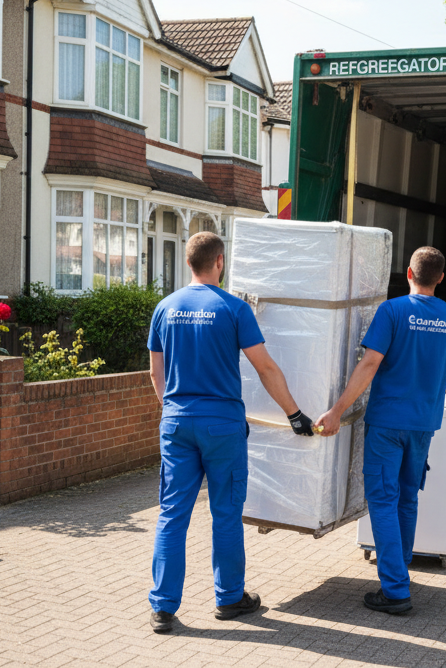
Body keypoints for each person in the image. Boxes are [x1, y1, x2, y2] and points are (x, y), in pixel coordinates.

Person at [316, 246, 446, 614]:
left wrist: (338, 410)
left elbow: (370, 363)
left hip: (388, 422)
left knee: (384, 501)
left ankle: (395, 591)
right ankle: (399, 571)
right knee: (407, 497)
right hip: (423, 426)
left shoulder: (392, 311)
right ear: (440, 277)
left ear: (408, 273)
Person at [146, 231, 316, 633]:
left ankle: (163, 608)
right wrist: (294, 414)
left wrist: (173, 410)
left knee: (172, 515)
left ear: (189, 263)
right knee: (224, 513)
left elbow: (155, 372)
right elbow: (266, 368)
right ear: (219, 262)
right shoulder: (234, 309)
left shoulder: (165, 308)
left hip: (176, 421)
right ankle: (229, 598)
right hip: (221, 426)